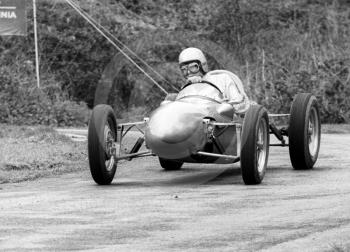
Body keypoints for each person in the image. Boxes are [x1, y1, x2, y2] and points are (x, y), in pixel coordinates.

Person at [178, 47, 250, 114]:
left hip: (219, 123)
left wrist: (225, 106)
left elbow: (240, 104)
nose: (188, 72)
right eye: (184, 69)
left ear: (202, 65)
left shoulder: (222, 79)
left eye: (193, 67)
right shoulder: (185, 89)